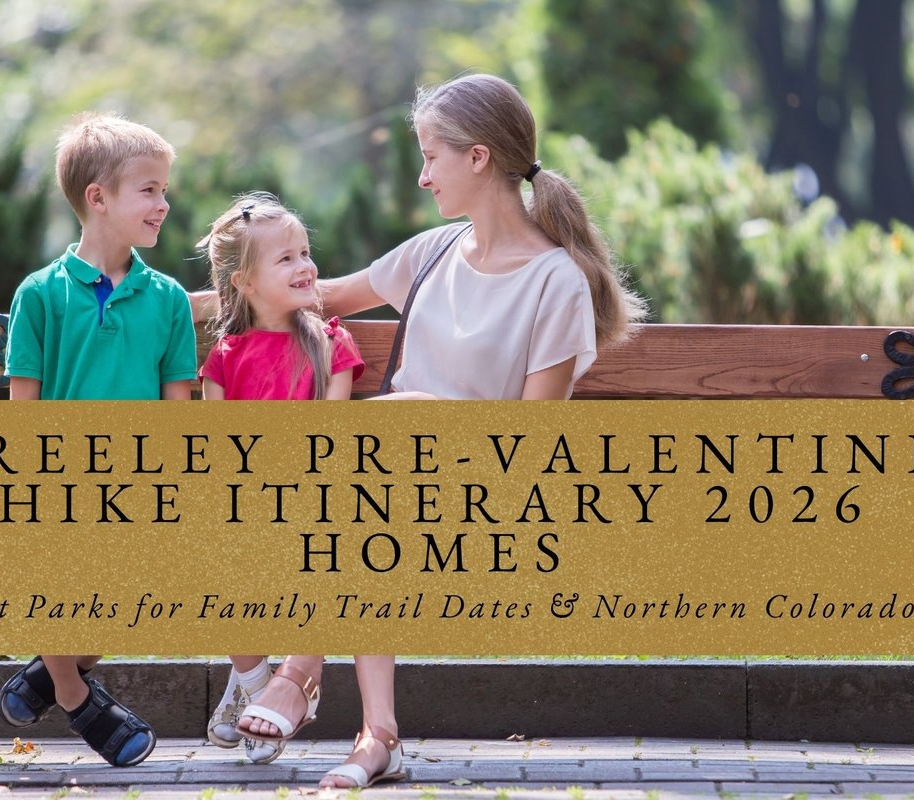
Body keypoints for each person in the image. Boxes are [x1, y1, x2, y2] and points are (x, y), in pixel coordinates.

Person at [237, 73, 647, 789]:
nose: (423, 176)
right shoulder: (433, 252)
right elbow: (311, 295)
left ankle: (301, 671)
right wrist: (167, 308)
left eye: (432, 157)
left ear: (479, 157)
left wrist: (425, 416)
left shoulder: (555, 281)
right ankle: (376, 735)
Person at [0, 112, 197, 768]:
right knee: (64, 573)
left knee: (135, 590)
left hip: (140, 487)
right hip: (57, 487)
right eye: (149, 190)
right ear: (98, 198)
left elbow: (177, 413)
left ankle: (44, 676)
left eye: (164, 190)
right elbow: (22, 416)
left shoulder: (167, 300)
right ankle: (79, 696)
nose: (164, 204)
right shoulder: (40, 295)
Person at [196, 192, 363, 765]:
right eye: (286, 258)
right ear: (243, 281)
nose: (306, 266)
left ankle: (267, 691)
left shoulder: (329, 342)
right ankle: (252, 683)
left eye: (306, 252)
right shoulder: (225, 354)